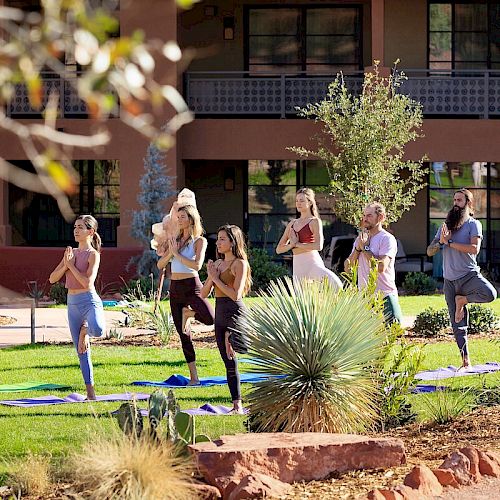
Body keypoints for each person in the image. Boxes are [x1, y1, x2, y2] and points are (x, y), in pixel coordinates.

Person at [427, 188, 497, 368]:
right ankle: (465, 360)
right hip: (450, 280)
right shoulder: (446, 225)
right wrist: (440, 242)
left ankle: (463, 300)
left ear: (468, 203)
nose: (455, 203)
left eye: (459, 200)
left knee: (490, 294)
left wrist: (450, 243)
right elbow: (430, 251)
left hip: (469, 275)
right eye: (454, 200)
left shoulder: (474, 224)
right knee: (457, 322)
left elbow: (474, 249)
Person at [49, 215, 105, 400]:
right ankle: (91, 395)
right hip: (72, 304)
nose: (76, 230)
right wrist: (65, 264)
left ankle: (85, 330)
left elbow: (87, 283)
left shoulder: (93, 255)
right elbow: (52, 278)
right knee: (81, 352)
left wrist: (71, 267)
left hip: (89, 301)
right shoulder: (70, 253)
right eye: (75, 227)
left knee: (97, 329)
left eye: (80, 227)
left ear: (91, 232)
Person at [157, 204, 214, 384]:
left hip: (192, 285)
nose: (179, 220)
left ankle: (189, 313)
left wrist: (177, 255)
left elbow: (197, 265)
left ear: (191, 219)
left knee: (210, 318)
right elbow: (160, 265)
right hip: (175, 288)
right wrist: (170, 254)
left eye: (182, 217)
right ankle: (194, 377)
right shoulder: (174, 239)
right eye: (178, 217)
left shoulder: (199, 241)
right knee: (184, 334)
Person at [201, 224, 251, 414]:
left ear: (232, 242)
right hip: (220, 315)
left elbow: (236, 295)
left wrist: (217, 278)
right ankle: (236, 404)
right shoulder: (219, 264)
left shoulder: (239, 263)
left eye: (223, 239)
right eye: (218, 238)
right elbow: (205, 293)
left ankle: (239, 404)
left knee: (236, 353)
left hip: (234, 314)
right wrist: (211, 276)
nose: (218, 242)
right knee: (228, 361)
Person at [344, 202, 402, 324]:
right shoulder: (360, 240)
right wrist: (358, 249)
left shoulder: (387, 239)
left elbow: (381, 267)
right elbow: (348, 269)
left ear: (381, 217)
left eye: (369, 215)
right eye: (364, 215)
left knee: (390, 338)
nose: (365, 219)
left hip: (385, 297)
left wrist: (365, 249)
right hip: (365, 298)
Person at [276, 187, 342, 290]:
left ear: (310, 202)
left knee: (336, 285)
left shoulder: (314, 221)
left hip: (312, 263)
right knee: (302, 300)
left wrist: (296, 244)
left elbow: (318, 246)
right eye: (297, 201)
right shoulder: (292, 223)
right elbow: (279, 249)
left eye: (302, 200)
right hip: (298, 266)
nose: (298, 203)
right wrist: (291, 245)